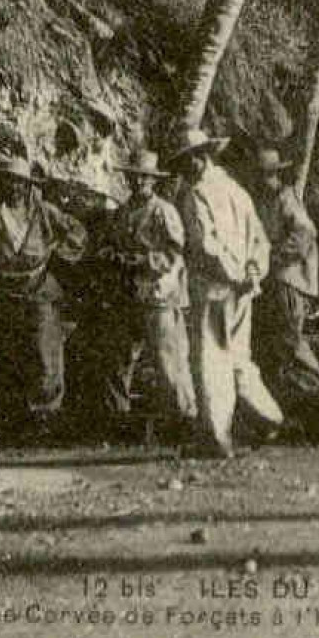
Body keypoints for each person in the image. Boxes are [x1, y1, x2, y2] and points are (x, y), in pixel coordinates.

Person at [173, 128, 283, 458]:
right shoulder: (237, 191)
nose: (186, 166)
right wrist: (252, 272)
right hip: (242, 289)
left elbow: (206, 246)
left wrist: (237, 275)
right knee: (238, 357)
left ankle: (216, 437)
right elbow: (259, 241)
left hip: (215, 288)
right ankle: (268, 417)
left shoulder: (196, 195)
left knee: (211, 360)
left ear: (200, 157)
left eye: (189, 159)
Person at [0, 156, 82, 441]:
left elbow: (77, 232)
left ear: (28, 185)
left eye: (19, 182)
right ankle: (16, 423)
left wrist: (59, 251)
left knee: (45, 354)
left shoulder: (43, 211)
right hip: (5, 293)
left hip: (39, 289)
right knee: (10, 355)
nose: (14, 187)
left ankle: (47, 418)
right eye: (9, 181)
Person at [104, 149, 196, 431]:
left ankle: (184, 418)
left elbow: (174, 252)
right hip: (129, 294)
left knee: (169, 360)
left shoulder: (163, 211)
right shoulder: (123, 212)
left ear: (153, 180)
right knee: (119, 360)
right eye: (134, 177)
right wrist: (112, 255)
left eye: (144, 178)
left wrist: (141, 260)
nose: (138, 182)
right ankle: (118, 419)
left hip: (159, 294)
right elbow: (111, 243)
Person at [252, 147, 319, 405]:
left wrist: (274, 256)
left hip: (288, 279)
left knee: (289, 339)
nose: (263, 180)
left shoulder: (286, 198)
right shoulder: (266, 200)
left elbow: (304, 234)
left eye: (267, 175)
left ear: (275, 174)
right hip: (273, 280)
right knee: (272, 344)